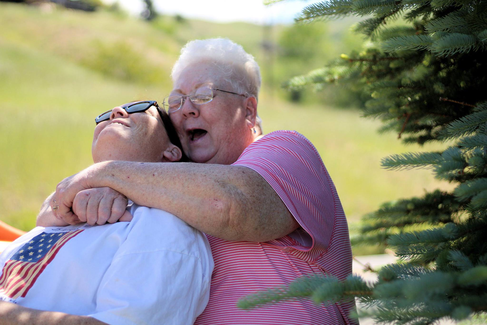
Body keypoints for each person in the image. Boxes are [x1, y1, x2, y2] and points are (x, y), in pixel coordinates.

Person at [47, 38, 357, 324]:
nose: (187, 110)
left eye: (204, 95)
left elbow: (230, 205)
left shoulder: (286, 149)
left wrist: (107, 172)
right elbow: (53, 225)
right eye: (176, 101)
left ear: (248, 111)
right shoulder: (166, 192)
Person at [0, 101, 213, 325]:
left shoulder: (165, 226)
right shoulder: (64, 213)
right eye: (104, 116)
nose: (116, 112)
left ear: (171, 152)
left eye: (139, 108)